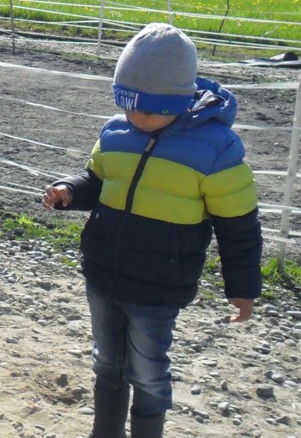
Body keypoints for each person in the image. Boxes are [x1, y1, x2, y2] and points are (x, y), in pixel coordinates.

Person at [41, 23, 262, 438]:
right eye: (128, 104)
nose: (137, 116)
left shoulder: (216, 149)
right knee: (107, 362)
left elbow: (239, 226)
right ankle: (105, 431)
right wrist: (70, 190)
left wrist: (242, 286)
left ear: (180, 98)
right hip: (103, 273)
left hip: (158, 286)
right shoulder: (116, 132)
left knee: (148, 371)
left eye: (151, 108)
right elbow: (100, 182)